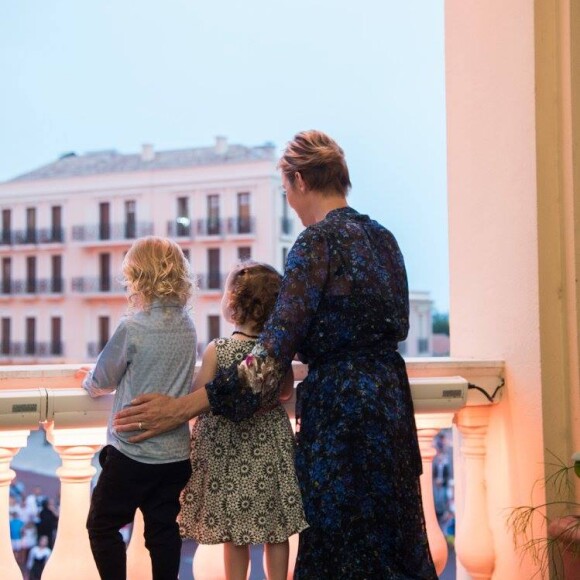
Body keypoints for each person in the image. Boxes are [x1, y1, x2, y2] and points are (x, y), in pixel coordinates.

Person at [114, 131, 437, 579]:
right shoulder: (384, 239)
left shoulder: (315, 243)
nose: (287, 199)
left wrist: (182, 408)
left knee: (341, 549)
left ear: (301, 180)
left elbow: (270, 356)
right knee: (391, 543)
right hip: (390, 406)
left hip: (341, 416)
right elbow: (398, 323)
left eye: (285, 188)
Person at [178, 261, 308, 580]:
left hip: (228, 453)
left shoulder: (218, 349)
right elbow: (285, 391)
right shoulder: (276, 351)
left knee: (235, 533)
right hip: (269, 448)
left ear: (233, 304)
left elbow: (200, 398)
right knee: (276, 529)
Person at [78, 236, 197, 580]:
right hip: (174, 456)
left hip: (132, 454)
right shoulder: (187, 327)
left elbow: (102, 378)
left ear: (138, 277)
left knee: (102, 525)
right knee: (162, 533)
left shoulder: (133, 327)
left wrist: (87, 381)